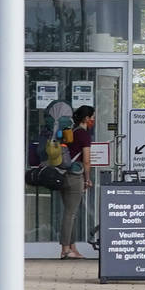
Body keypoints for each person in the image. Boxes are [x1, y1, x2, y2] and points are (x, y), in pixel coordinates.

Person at [59, 105, 94, 259]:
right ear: (86, 119)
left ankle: (72, 248)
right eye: (92, 117)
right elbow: (86, 160)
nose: (93, 120)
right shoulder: (84, 135)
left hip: (63, 175)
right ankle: (65, 249)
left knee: (70, 213)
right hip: (75, 176)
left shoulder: (70, 132)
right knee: (70, 213)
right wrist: (88, 179)